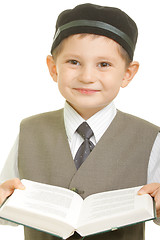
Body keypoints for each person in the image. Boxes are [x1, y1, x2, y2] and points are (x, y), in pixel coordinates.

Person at [0, 3, 160, 240]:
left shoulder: (150, 137)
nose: (87, 77)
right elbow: (6, 212)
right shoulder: (29, 131)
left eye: (104, 65)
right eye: (73, 62)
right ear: (53, 68)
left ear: (128, 73)